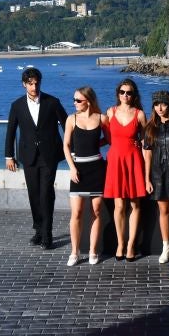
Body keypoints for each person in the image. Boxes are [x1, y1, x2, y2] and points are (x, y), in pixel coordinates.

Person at [4, 67, 67, 250]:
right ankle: (38, 230)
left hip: (49, 156)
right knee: (34, 195)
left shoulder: (52, 102)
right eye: (30, 83)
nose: (34, 86)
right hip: (28, 156)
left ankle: (47, 235)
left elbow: (67, 125)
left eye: (37, 82)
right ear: (24, 84)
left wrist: (72, 149)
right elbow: (10, 132)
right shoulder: (17, 106)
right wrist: (9, 156)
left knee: (46, 193)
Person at [62, 86, 107, 266]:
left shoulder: (102, 119)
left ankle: (93, 251)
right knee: (77, 212)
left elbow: (110, 140)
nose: (74, 103)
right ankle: (74, 252)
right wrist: (72, 168)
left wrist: (96, 143)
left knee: (96, 211)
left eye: (78, 100)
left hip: (97, 168)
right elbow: (65, 145)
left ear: (88, 101)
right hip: (78, 169)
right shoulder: (71, 119)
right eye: (74, 100)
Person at [104, 78, 147, 261]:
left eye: (129, 92)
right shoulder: (110, 112)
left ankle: (131, 244)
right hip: (115, 161)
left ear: (133, 95)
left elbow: (146, 141)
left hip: (134, 160)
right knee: (119, 205)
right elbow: (107, 138)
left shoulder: (139, 114)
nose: (125, 95)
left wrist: (147, 171)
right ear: (118, 94)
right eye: (122, 92)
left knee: (135, 204)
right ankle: (120, 243)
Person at [142, 89, 169, 264]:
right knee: (163, 211)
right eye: (156, 104)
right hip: (158, 174)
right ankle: (167, 247)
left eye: (163, 103)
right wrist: (146, 178)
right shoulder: (150, 128)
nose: (160, 107)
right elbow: (147, 154)